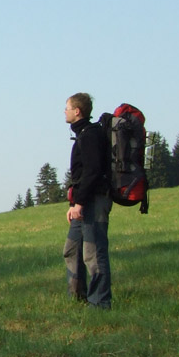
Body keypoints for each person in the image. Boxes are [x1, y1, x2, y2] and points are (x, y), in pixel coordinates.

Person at [63, 93, 113, 309]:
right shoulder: (83, 134)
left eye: (67, 107)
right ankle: (78, 299)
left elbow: (93, 172)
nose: (64, 111)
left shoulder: (90, 135)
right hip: (82, 202)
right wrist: (74, 202)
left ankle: (100, 303)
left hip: (94, 201)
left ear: (77, 111)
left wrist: (80, 203)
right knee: (72, 249)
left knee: (93, 253)